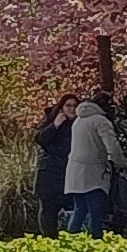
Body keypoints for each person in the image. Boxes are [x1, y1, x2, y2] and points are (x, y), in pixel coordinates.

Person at [59, 92, 120, 235]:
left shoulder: (79, 120)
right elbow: (112, 146)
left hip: (74, 171)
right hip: (93, 173)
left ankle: (70, 241)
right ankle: (95, 243)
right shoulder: (100, 121)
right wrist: (120, 163)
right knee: (96, 212)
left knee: (79, 209)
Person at [33, 97, 77, 235]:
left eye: (75, 105)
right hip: (50, 172)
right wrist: (55, 125)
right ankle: (48, 239)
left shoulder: (80, 124)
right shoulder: (51, 120)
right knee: (48, 209)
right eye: (68, 105)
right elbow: (40, 139)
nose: (72, 109)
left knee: (76, 208)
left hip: (71, 172)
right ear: (62, 107)